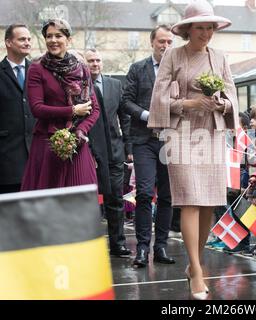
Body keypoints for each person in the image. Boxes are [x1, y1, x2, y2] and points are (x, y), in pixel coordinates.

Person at [147, 0, 238, 299]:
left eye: (210, 27)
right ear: (188, 29)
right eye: (201, 26)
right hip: (182, 134)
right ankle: (197, 270)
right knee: (189, 200)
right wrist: (188, 103)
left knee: (209, 201)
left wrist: (222, 104)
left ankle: (194, 264)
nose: (207, 32)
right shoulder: (173, 56)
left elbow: (231, 96)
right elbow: (159, 98)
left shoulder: (220, 57)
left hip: (211, 133)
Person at [21, 19, 99, 191]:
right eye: (49, 36)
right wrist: (71, 110)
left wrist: (81, 130)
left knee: (79, 199)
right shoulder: (37, 69)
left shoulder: (82, 69)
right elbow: (37, 108)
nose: (53, 40)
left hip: (78, 143)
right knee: (48, 199)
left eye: (58, 35)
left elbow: (94, 109)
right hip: (48, 142)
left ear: (68, 39)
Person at [122, 25, 175, 268]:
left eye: (169, 42)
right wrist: (147, 115)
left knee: (167, 195)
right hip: (144, 140)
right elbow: (125, 101)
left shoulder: (178, 70)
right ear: (152, 43)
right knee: (144, 193)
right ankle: (142, 249)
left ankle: (161, 246)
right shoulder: (138, 69)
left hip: (170, 141)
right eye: (161, 42)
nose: (165, 46)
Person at [85, 48, 132, 257]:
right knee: (89, 201)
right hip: (89, 151)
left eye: (97, 60)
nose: (94, 64)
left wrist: (128, 148)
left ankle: (118, 244)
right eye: (90, 61)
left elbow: (125, 118)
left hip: (114, 150)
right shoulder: (78, 86)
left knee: (115, 199)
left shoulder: (115, 85)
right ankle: (89, 246)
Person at [0, 24, 35, 194]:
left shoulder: (38, 72)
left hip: (37, 158)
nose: (27, 42)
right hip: (7, 160)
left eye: (29, 39)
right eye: (22, 39)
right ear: (8, 42)